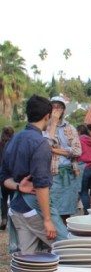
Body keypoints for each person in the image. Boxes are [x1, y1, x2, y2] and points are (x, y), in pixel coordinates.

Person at [0, 95, 57, 252]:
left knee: (28, 260)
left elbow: (3, 177)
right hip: (34, 208)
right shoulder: (40, 144)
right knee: (68, 247)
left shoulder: (12, 139)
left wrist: (18, 186)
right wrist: (47, 220)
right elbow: (41, 185)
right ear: (47, 116)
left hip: (17, 208)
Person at [45, 95, 82, 225]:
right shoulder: (45, 127)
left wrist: (55, 150)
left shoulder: (70, 128)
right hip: (52, 173)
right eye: (54, 107)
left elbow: (77, 151)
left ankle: (65, 238)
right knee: (52, 208)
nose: (56, 110)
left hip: (70, 172)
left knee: (67, 210)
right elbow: (45, 147)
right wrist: (53, 124)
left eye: (59, 107)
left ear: (63, 110)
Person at [77, 124, 91, 214]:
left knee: (83, 192)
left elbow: (75, 153)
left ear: (78, 132)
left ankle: (87, 213)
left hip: (84, 167)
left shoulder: (78, 140)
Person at [0, 126, 15, 230]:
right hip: (13, 176)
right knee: (14, 199)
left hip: (2, 175)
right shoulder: (15, 145)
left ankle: (4, 218)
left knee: (3, 199)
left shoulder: (0, 144)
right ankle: (14, 221)